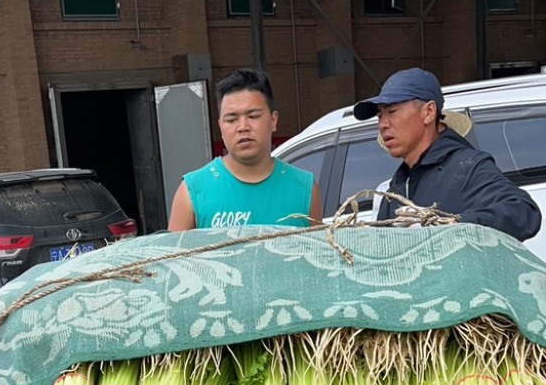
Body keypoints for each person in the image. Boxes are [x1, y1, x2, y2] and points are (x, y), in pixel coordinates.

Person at [354, 67, 542, 242]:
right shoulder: (394, 190)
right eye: (379, 116)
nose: (382, 124)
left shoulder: (467, 166)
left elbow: (523, 211)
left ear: (428, 112)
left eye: (392, 111)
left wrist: (452, 226)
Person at [168, 68, 322, 231]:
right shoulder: (192, 192)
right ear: (220, 127)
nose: (243, 127)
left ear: (273, 120)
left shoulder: (305, 189)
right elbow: (172, 256)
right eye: (232, 119)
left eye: (253, 116)